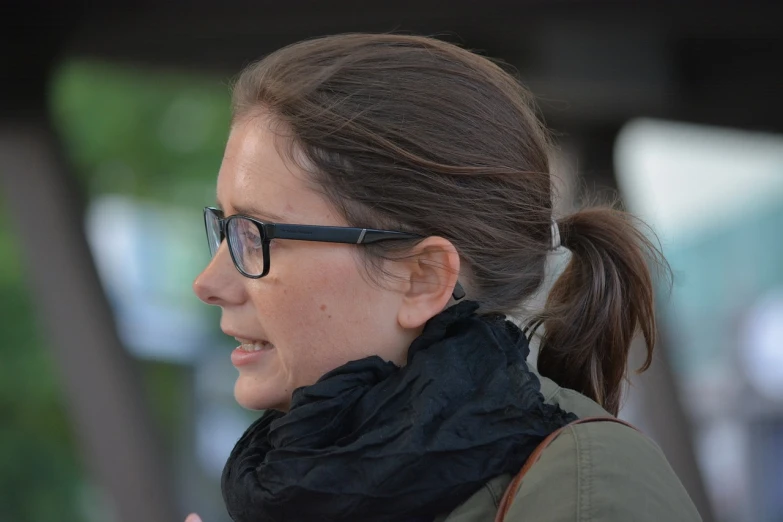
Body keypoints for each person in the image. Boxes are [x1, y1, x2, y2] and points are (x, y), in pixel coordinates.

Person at [188, 33, 702, 522]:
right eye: (226, 230)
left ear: (421, 278)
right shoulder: (301, 483)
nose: (209, 283)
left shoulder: (587, 486)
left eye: (254, 235)